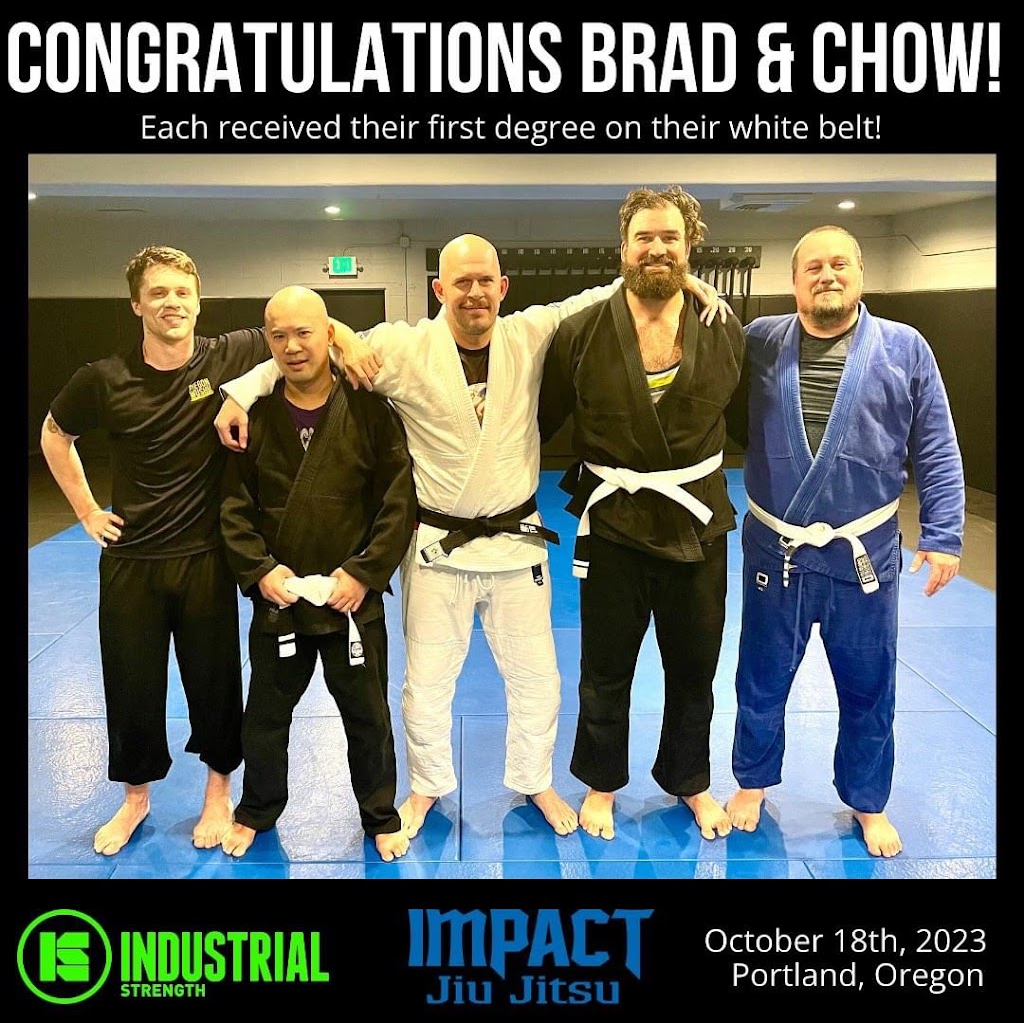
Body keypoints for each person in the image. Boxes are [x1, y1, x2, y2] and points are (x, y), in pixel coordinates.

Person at [214, 234, 727, 839]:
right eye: (461, 281)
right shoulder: (402, 348)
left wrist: (676, 278)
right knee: (426, 682)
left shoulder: (530, 334)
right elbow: (304, 351)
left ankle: (534, 779)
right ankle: (427, 785)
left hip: (517, 542)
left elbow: (601, 295)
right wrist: (240, 392)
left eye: (486, 281)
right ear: (440, 289)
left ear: (503, 288)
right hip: (437, 545)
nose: (475, 292)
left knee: (538, 680)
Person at [725, 225, 965, 858]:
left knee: (868, 682)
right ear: (793, 281)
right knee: (761, 676)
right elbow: (701, 362)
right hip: (775, 548)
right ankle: (752, 782)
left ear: (859, 273)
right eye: (813, 267)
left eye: (839, 264)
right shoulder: (759, 341)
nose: (826, 275)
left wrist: (943, 533)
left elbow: (936, 444)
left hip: (865, 553)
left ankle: (867, 800)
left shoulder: (905, 347)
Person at [39, 245, 270, 855]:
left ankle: (218, 791)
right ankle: (135, 798)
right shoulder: (103, 377)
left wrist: (242, 394)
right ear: (136, 304)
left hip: (205, 558)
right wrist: (87, 511)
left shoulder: (228, 355)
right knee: (131, 685)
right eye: (158, 292)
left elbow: (307, 330)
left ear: (199, 300)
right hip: (131, 560)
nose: (172, 302)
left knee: (215, 682)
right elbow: (55, 435)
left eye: (182, 292)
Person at [538, 186, 746, 841]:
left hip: (697, 523)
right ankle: (601, 783)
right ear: (623, 248)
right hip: (614, 527)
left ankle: (690, 780)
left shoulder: (722, 327)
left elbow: (748, 422)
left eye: (670, 238)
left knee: (695, 668)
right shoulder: (579, 331)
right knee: (605, 668)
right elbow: (536, 423)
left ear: (690, 247)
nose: (657, 249)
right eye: (644, 238)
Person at [219, 287, 415, 862]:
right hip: (280, 599)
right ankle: (257, 809)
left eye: (303, 332)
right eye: (278, 335)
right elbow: (234, 505)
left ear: (330, 334)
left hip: (352, 601)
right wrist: (260, 571)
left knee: (368, 716)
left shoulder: (370, 410)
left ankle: (380, 815)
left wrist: (364, 574)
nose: (292, 346)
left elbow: (397, 501)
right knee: (265, 716)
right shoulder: (254, 415)